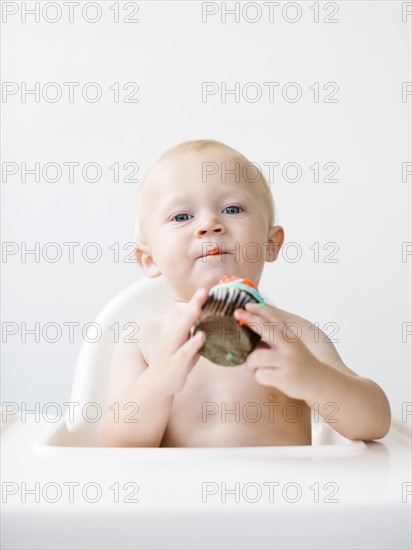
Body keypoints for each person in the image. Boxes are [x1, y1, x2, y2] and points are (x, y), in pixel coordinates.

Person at [98, 139, 391, 447]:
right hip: (179, 494)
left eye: (232, 208)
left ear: (271, 243)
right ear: (149, 259)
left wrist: (313, 378)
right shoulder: (142, 342)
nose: (210, 224)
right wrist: (157, 384)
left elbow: (375, 423)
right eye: (182, 216)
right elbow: (116, 446)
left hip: (281, 493)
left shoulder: (293, 336)